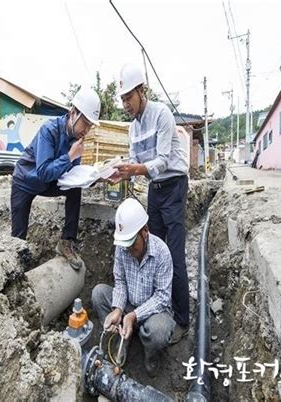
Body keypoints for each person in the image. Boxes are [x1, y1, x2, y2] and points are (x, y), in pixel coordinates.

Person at [112, 64, 190, 344]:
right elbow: (133, 161)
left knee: (175, 255)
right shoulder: (133, 128)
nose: (125, 104)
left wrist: (133, 169)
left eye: (128, 98)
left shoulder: (162, 115)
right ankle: (149, 309)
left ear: (141, 91)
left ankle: (182, 320)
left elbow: (162, 161)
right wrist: (118, 173)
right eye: (121, 100)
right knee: (152, 250)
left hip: (174, 186)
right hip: (154, 190)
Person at [11, 87, 101, 270]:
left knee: (75, 188)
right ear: (73, 113)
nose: (87, 130)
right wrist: (69, 156)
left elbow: (72, 175)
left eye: (91, 126)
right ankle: (17, 264)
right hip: (25, 181)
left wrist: (95, 177)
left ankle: (67, 241)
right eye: (85, 123)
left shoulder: (76, 139)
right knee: (18, 237)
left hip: (49, 182)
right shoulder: (49, 130)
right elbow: (43, 171)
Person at [92, 198, 175, 377]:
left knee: (159, 331)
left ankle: (151, 355)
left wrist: (133, 316)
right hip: (129, 305)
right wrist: (118, 309)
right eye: (125, 244)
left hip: (154, 313)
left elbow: (162, 297)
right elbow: (120, 281)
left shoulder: (162, 253)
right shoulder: (122, 248)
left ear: (145, 231)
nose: (128, 249)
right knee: (99, 293)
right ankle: (121, 337)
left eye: (132, 243)